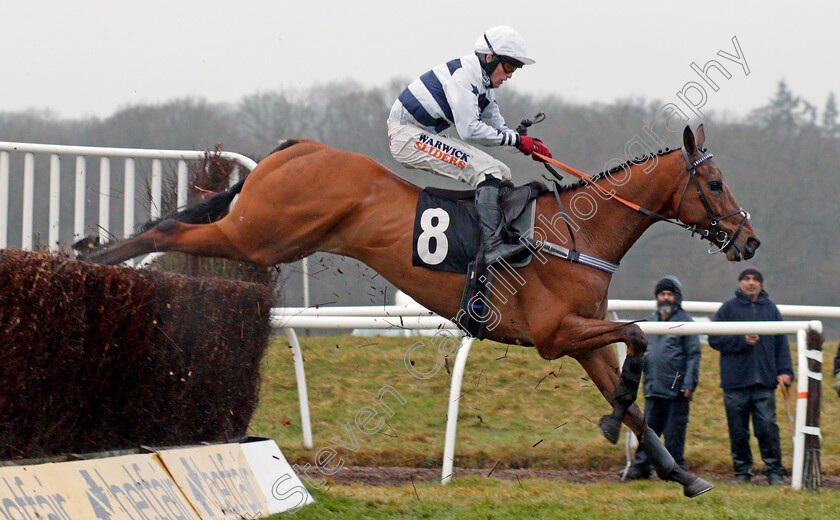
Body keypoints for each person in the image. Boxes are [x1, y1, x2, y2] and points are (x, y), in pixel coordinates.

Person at [387, 26, 553, 265]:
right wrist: (517, 141)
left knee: (502, 172)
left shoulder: (484, 86)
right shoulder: (463, 77)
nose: (510, 75)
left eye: (515, 68)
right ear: (489, 58)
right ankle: (492, 247)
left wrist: (529, 146)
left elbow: (499, 132)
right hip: (407, 137)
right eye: (508, 66)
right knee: (487, 171)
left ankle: (496, 237)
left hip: (419, 134)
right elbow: (470, 130)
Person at [708, 267, 794, 485]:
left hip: (764, 382)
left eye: (755, 279)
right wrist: (741, 341)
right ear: (740, 282)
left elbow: (781, 343)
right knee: (738, 431)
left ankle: (775, 472)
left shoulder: (771, 309)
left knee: (767, 429)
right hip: (735, 382)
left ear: (761, 284)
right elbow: (714, 339)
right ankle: (742, 473)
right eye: (747, 279)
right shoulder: (728, 308)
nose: (751, 283)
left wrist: (785, 371)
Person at [622, 276, 701, 481]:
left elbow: (693, 354)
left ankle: (675, 470)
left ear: (677, 297)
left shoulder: (686, 323)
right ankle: (642, 468)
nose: (665, 298)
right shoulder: (650, 322)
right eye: (662, 294)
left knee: (675, 434)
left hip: (678, 389)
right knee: (648, 431)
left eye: (669, 294)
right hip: (653, 387)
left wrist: (689, 382)